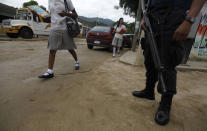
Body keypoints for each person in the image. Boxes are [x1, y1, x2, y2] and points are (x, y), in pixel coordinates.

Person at [132, 0, 205, 125]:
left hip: (173, 18)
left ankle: (165, 104)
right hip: (152, 19)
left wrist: (188, 21)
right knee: (149, 58)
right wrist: (145, 18)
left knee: (167, 62)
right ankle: (149, 91)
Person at [39, 0, 80, 79]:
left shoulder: (66, 1)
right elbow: (53, 15)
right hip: (54, 28)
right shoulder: (50, 1)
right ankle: (50, 71)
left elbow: (75, 15)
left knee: (70, 48)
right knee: (52, 50)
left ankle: (76, 61)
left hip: (65, 28)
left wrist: (65, 14)